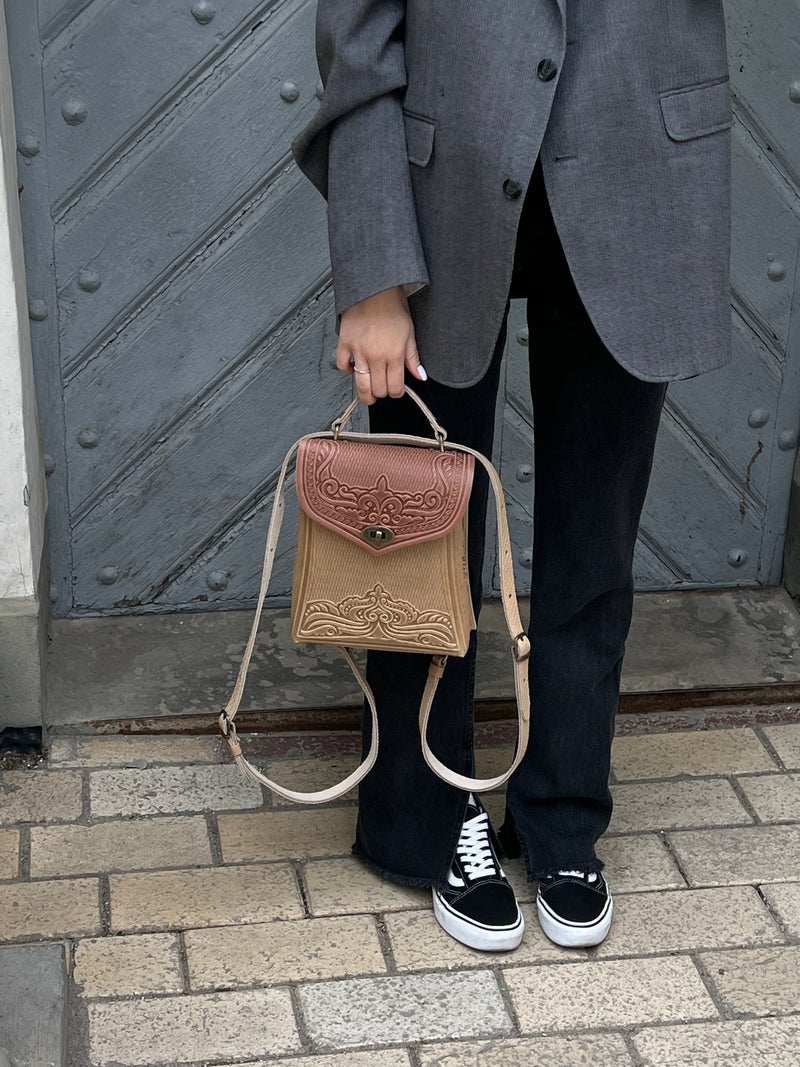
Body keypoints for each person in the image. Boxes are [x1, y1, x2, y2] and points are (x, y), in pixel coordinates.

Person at [290, 1, 733, 951]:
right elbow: (359, 37)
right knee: (414, 536)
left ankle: (563, 816)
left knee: (596, 531)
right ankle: (424, 813)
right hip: (436, 186)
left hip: (637, 164)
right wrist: (371, 273)